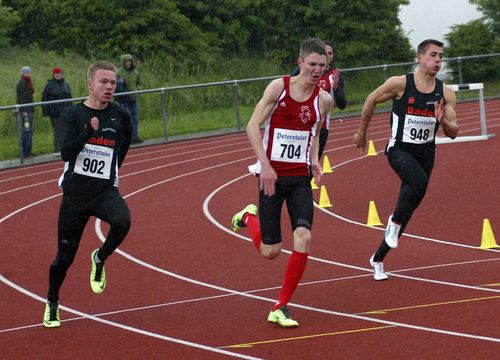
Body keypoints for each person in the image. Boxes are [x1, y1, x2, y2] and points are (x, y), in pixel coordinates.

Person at [231, 38, 333, 328]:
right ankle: (249, 216)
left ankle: (281, 306)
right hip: (271, 176)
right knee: (270, 251)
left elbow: (314, 132)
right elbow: (253, 126)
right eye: (312, 64)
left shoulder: (324, 100)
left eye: (322, 66)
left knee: (304, 237)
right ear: (300, 62)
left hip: (300, 178)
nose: (317, 70)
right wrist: (264, 165)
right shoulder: (279, 88)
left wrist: (314, 160)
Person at [353, 39, 459, 281]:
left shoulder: (445, 93)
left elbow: (454, 132)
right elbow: (371, 99)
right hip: (399, 149)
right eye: (433, 55)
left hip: (426, 154)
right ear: (420, 58)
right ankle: (393, 222)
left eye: (441, 56)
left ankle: (378, 259)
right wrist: (362, 132)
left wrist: (442, 120)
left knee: (410, 204)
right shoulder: (400, 84)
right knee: (418, 184)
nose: (438, 60)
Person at [44, 61, 132, 328]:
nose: (109, 87)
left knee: (123, 221)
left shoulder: (120, 116)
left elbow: (122, 149)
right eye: (104, 82)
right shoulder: (72, 114)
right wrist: (88, 133)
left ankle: (100, 257)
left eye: (113, 82)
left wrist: (110, 175)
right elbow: (66, 153)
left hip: (103, 191)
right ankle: (52, 302)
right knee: (64, 258)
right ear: (90, 84)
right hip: (75, 195)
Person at [292, 40, 347, 160]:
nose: (328, 55)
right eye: (325, 52)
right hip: (300, 123)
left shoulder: (335, 76)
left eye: (330, 53)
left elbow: (342, 104)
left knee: (311, 165)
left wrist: (336, 88)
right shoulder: (304, 70)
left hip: (321, 128)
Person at [42, 67, 73, 154]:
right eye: (56, 74)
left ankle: (65, 146)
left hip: (65, 111)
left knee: (66, 130)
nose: (58, 75)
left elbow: (69, 97)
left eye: (59, 74)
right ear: (53, 75)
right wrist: (46, 111)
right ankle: (58, 148)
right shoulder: (49, 85)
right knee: (58, 131)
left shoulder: (65, 84)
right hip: (55, 113)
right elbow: (44, 98)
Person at [116, 54, 142, 143]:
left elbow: (139, 83)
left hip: (133, 98)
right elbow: (115, 84)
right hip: (123, 98)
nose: (128, 63)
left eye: (129, 61)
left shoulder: (136, 72)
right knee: (125, 118)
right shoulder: (118, 72)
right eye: (126, 61)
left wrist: (138, 89)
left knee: (135, 117)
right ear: (123, 62)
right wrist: (119, 82)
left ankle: (135, 136)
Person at [16, 66, 35, 157]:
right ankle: (25, 151)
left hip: (29, 110)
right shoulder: (22, 83)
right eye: (27, 73)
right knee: (26, 130)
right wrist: (24, 111)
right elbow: (21, 98)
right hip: (26, 112)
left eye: (29, 72)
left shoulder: (28, 82)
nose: (28, 74)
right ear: (23, 73)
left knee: (29, 130)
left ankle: (28, 150)